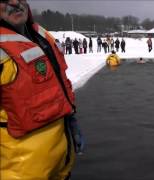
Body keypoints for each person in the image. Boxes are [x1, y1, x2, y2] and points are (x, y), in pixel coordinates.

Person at [0, 0, 84, 179]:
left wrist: (71, 118)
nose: (15, 3)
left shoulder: (41, 35)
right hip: (21, 171)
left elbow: (59, 82)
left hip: (60, 161)